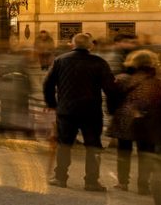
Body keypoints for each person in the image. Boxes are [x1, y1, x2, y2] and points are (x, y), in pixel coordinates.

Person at [43, 32, 118, 191]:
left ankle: (60, 177)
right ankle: (92, 181)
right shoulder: (99, 63)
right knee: (93, 146)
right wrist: (112, 109)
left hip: (66, 110)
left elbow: (48, 84)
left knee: (64, 144)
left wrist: (52, 104)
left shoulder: (60, 61)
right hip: (91, 110)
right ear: (90, 46)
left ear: (72, 44)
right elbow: (110, 88)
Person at [111, 49, 161, 199]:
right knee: (146, 154)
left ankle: (122, 182)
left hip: (126, 118)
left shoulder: (122, 78)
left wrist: (115, 113)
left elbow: (113, 99)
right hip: (149, 121)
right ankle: (143, 185)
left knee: (124, 151)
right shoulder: (159, 81)